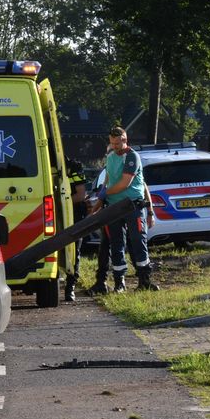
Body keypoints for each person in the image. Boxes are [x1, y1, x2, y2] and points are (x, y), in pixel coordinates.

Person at [89, 127, 158, 293]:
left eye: (117, 143)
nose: (114, 147)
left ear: (125, 140)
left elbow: (125, 183)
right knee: (116, 244)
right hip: (114, 207)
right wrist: (99, 202)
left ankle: (144, 280)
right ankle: (119, 282)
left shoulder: (132, 157)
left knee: (138, 241)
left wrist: (105, 193)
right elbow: (108, 179)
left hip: (132, 205)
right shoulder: (111, 157)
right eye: (112, 143)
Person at [63, 157, 88, 302]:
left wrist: (60, 203)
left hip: (74, 213)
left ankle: (70, 286)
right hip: (51, 212)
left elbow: (80, 195)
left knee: (73, 250)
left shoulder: (74, 166)